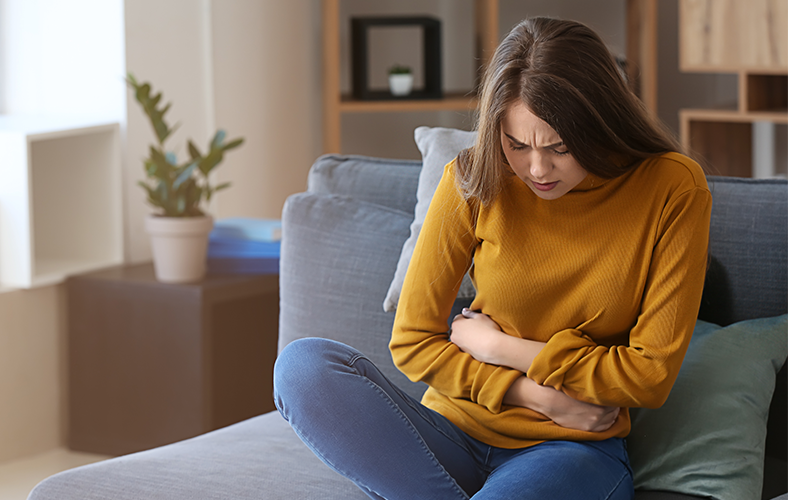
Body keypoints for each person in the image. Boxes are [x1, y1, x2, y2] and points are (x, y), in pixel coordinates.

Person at [274, 16, 712, 500]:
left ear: (601, 124)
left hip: (570, 452)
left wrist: (501, 348)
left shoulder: (672, 187)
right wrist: (536, 395)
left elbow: (648, 377)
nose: (537, 169)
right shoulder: (471, 177)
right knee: (301, 367)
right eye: (517, 145)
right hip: (450, 431)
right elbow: (413, 341)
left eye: (561, 147)